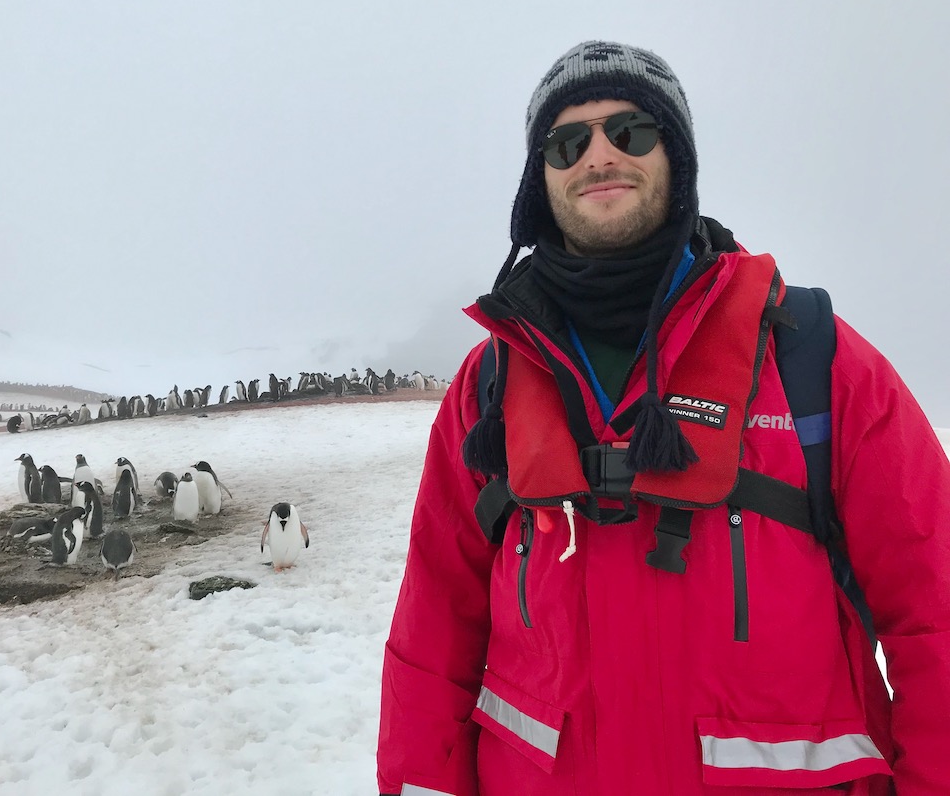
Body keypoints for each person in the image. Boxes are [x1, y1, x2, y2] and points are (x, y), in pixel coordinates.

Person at [376, 41, 950, 795]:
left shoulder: (812, 357)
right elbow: (433, 633)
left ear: (675, 158)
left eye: (632, 130)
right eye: (567, 141)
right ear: (538, 178)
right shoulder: (487, 387)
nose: (600, 155)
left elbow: (934, 615)